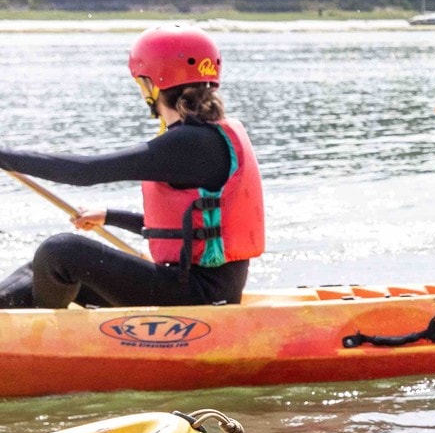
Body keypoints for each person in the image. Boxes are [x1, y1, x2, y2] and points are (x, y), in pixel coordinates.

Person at [0, 26, 265, 310]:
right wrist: (110, 216)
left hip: (199, 297)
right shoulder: (204, 137)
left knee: (61, 251)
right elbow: (184, 229)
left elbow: (84, 173)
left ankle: (45, 341)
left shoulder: (189, 141)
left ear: (152, 84)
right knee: (40, 271)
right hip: (196, 289)